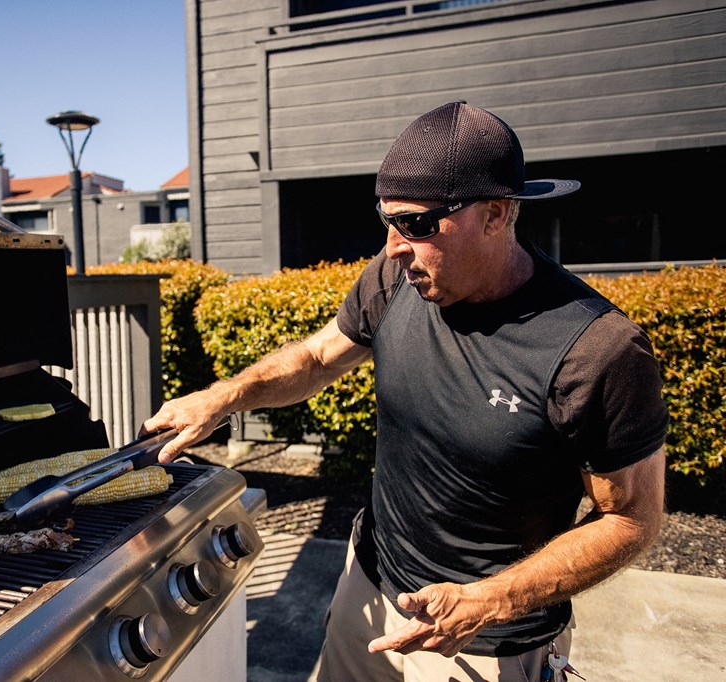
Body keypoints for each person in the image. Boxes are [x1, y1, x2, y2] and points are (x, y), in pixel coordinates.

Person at [142, 101, 667, 681]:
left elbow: (631, 519)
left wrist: (487, 602)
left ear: (495, 214)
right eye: (387, 219)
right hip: (367, 586)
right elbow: (317, 357)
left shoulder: (597, 349)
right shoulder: (398, 278)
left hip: (483, 641)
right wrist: (226, 396)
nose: (395, 244)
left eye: (418, 224)